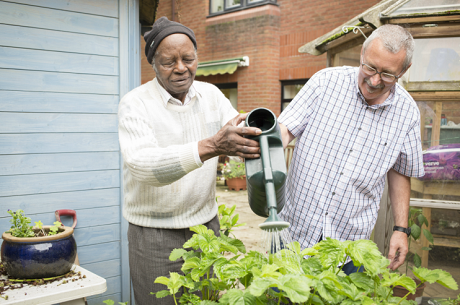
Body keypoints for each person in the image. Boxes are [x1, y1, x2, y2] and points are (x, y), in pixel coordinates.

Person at [118, 17, 261, 305]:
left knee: (205, 299)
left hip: (205, 227)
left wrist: (249, 137)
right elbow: (143, 165)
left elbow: (233, 128)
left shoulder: (211, 94)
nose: (181, 68)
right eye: (169, 61)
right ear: (154, 64)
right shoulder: (135, 103)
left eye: (188, 58)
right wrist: (212, 145)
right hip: (153, 234)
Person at [278, 24, 424, 274]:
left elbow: (400, 172)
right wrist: (263, 152)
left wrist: (401, 229)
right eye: (370, 67)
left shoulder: (407, 113)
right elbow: (284, 130)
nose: (374, 80)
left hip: (349, 246)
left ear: (404, 70)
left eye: (388, 74)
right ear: (362, 55)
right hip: (293, 233)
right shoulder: (325, 83)